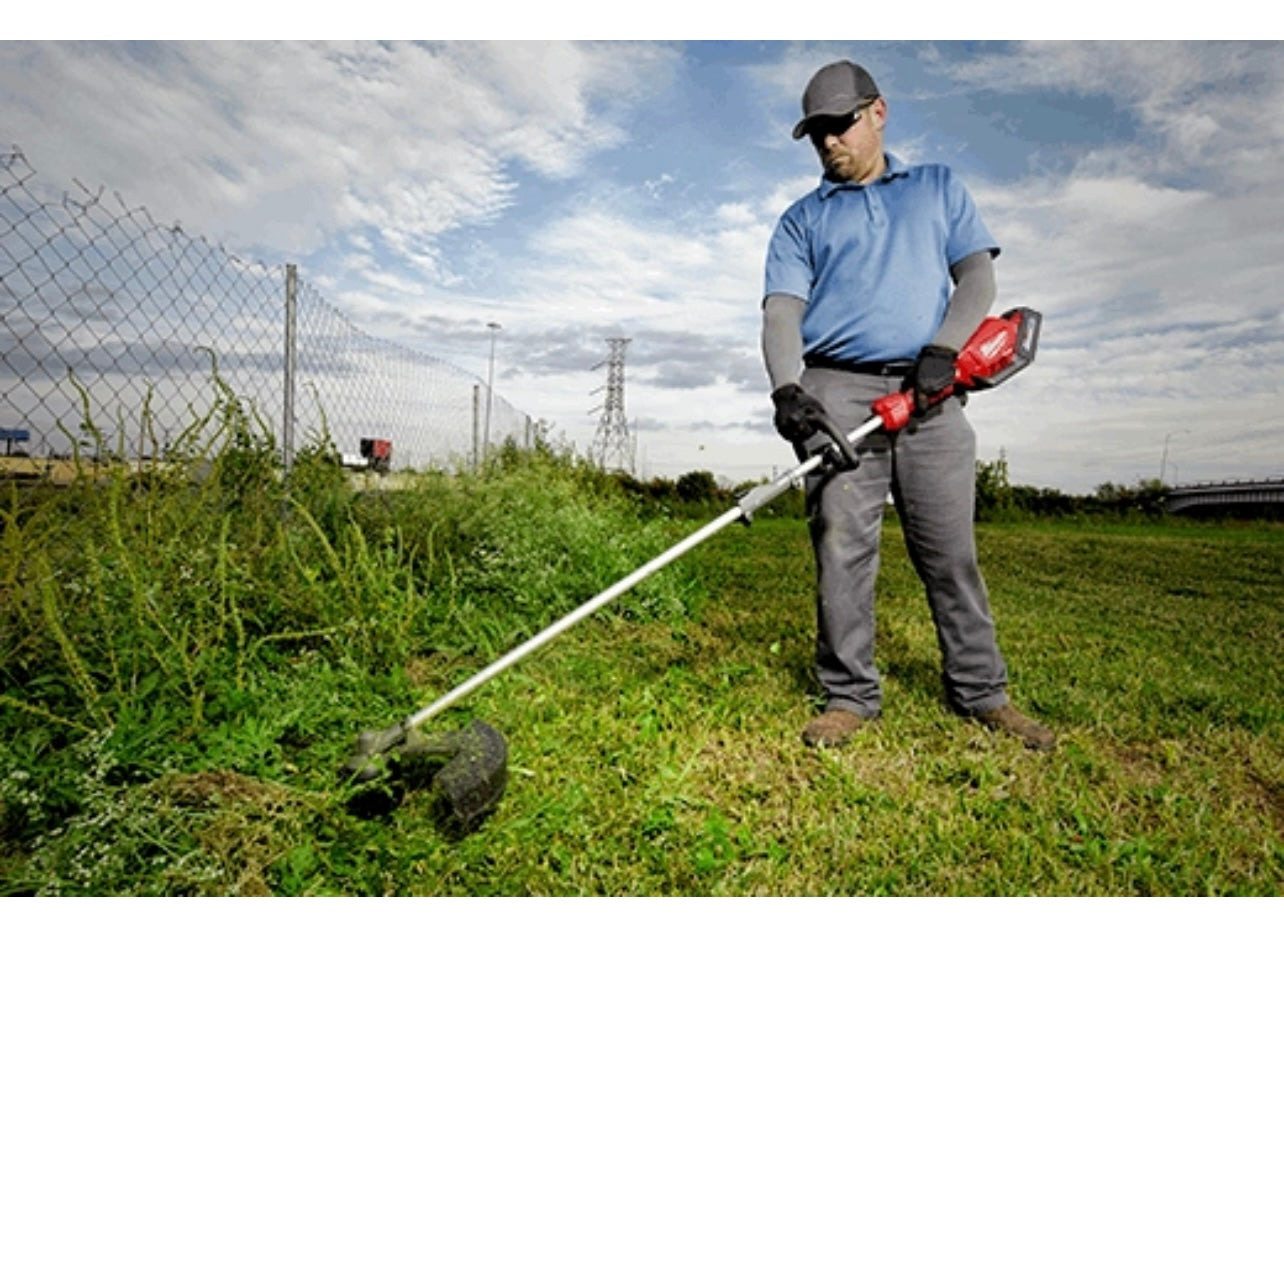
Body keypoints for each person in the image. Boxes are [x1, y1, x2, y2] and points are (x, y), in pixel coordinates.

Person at [761, 59, 1054, 751]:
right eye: (817, 134)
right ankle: (848, 695)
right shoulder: (802, 219)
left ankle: (982, 693)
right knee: (841, 547)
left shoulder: (936, 188)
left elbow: (977, 275)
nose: (830, 142)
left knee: (950, 551)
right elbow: (781, 312)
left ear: (878, 113)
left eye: (841, 125)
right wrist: (787, 390)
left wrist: (945, 350)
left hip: (933, 388)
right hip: (836, 388)